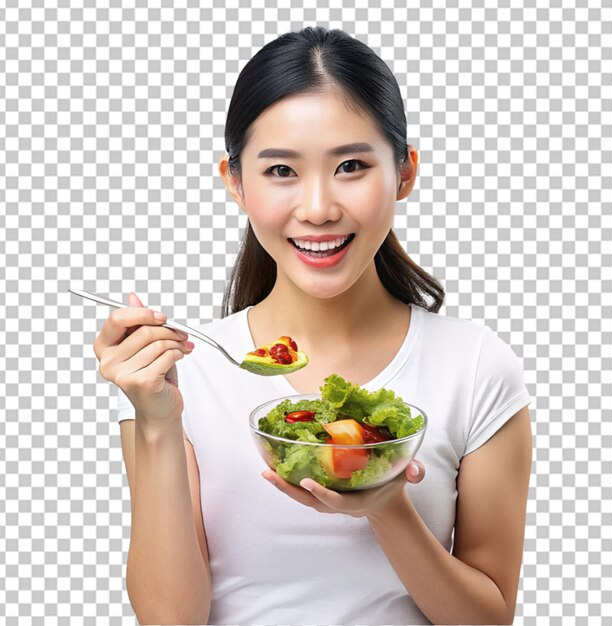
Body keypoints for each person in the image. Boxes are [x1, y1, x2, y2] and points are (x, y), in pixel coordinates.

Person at [92, 26, 532, 625]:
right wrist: (157, 423)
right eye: (281, 171)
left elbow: (490, 619)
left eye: (351, 165)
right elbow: (172, 620)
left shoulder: (476, 368)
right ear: (235, 182)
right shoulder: (175, 373)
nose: (319, 207)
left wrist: (387, 508)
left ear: (405, 172)